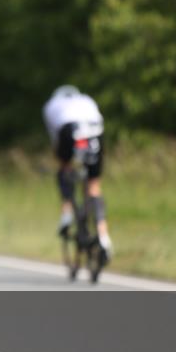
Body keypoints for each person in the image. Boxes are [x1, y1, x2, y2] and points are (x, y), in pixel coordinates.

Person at [43, 85, 112, 266]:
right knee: (94, 185)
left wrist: (62, 160)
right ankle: (104, 238)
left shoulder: (51, 105)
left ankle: (66, 213)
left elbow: (56, 138)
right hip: (95, 131)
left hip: (69, 129)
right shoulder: (87, 100)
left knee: (64, 168)